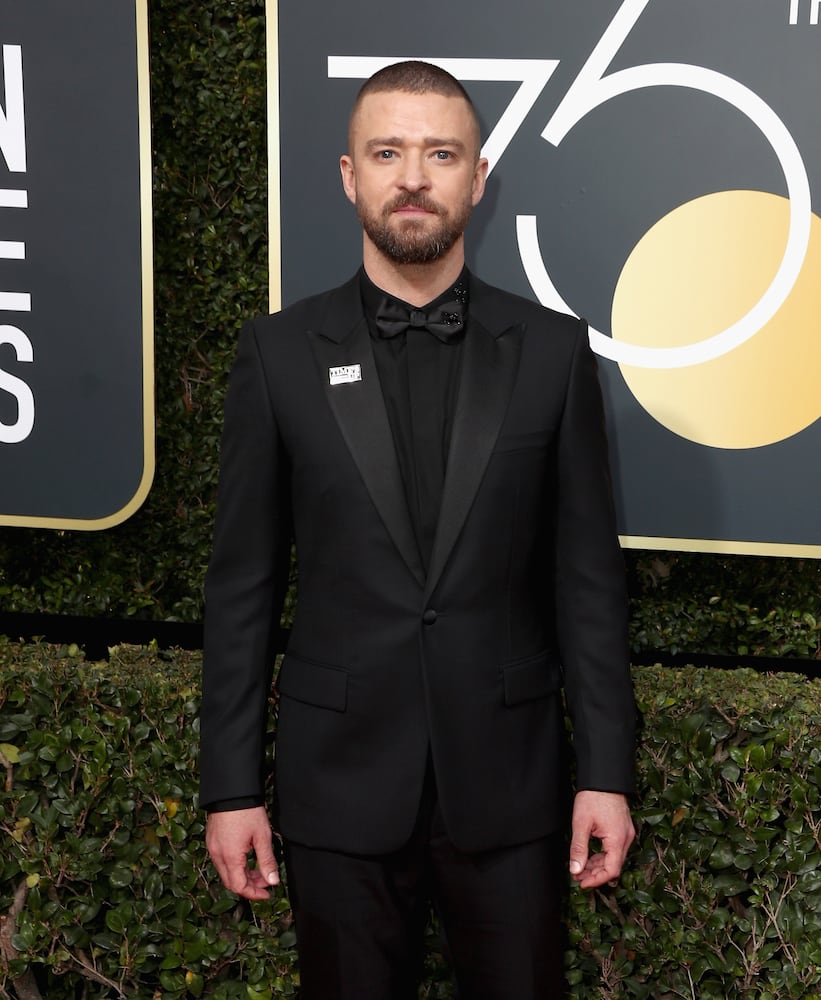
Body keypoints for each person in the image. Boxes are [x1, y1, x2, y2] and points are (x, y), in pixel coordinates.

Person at [200, 60, 637, 999]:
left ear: (478, 178)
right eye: (386, 153)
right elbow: (241, 589)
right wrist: (230, 789)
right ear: (348, 176)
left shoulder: (552, 352)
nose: (412, 178)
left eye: (439, 154)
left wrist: (605, 774)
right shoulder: (276, 354)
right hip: (337, 785)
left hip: (510, 787)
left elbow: (587, 584)